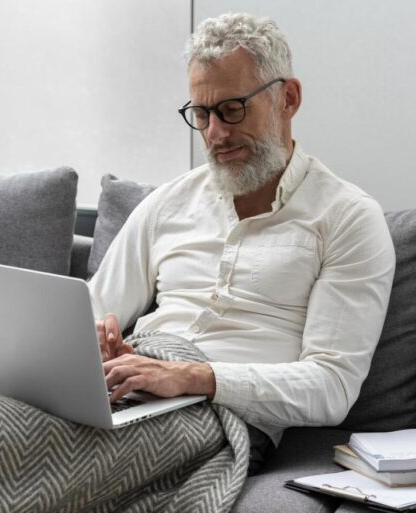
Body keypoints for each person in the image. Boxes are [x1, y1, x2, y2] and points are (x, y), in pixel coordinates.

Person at [88, 12, 395, 474]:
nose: (215, 134)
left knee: (50, 453)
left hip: (223, 418)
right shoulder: (168, 203)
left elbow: (331, 387)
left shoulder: (347, 218)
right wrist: (97, 343)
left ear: (287, 98)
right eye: (202, 114)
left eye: (232, 109)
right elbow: (91, 312)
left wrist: (194, 377)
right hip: (130, 392)